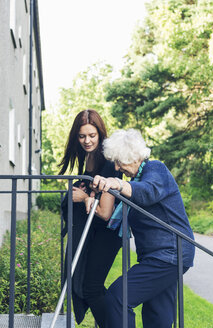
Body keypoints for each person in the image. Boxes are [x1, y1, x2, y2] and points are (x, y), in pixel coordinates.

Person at [91, 128, 195, 328]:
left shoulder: (155, 169)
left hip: (170, 253)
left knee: (117, 297)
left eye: (119, 161)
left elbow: (148, 192)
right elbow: (115, 211)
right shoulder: (136, 179)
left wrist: (117, 183)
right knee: (158, 315)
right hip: (161, 255)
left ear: (132, 156)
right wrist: (93, 197)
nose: (117, 167)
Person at [58, 109, 122, 327]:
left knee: (91, 288)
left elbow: (105, 212)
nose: (87, 141)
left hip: (109, 232)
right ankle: (119, 317)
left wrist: (84, 196)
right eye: (82, 136)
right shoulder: (88, 159)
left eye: (92, 135)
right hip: (95, 231)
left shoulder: (109, 162)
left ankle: (118, 321)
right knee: (87, 284)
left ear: (100, 134)